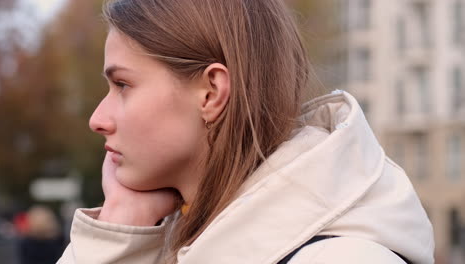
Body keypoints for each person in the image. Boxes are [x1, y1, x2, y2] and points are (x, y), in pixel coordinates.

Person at [58, 0, 435, 263]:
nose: (98, 118)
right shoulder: (178, 242)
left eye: (123, 85)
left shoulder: (342, 259)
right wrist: (118, 233)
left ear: (211, 93)